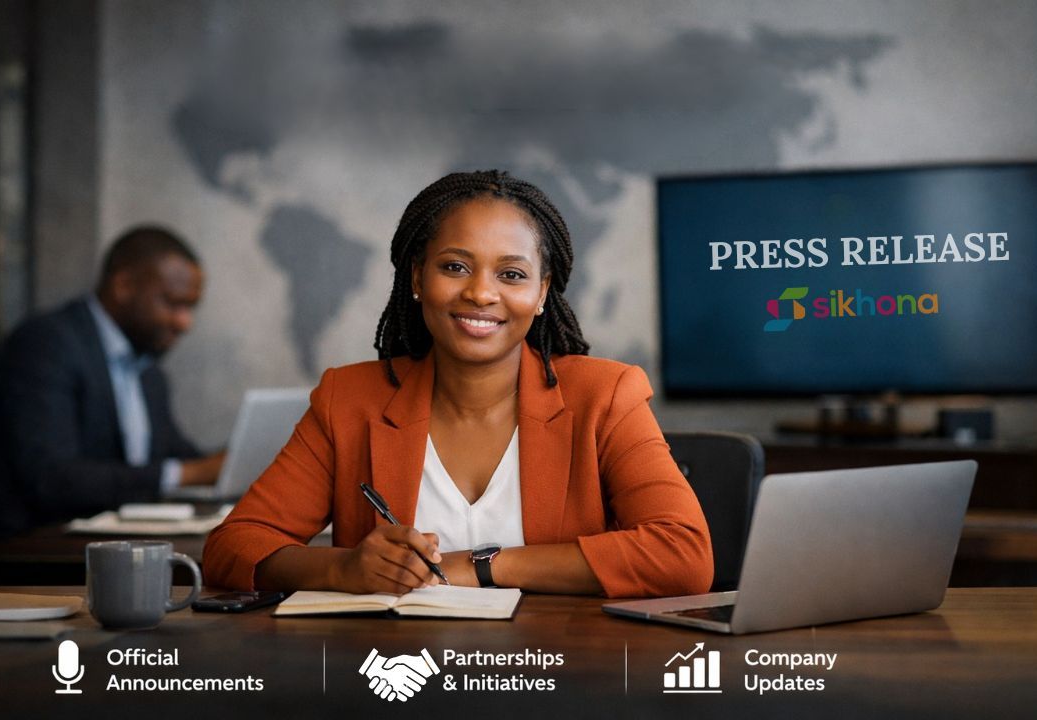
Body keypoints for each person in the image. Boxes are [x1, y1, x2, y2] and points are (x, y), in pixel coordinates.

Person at [203, 171, 712, 598]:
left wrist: (480, 565)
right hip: (392, 668)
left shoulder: (605, 395)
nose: (481, 293)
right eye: (455, 267)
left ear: (542, 293)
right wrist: (343, 569)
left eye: (511, 274)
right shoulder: (350, 399)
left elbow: (684, 554)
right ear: (418, 278)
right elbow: (233, 546)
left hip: (557, 666)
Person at [0, 226, 225, 539]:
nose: (185, 323)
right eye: (173, 304)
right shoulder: (46, 344)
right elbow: (51, 478)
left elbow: (178, 456)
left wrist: (232, 461)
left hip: (112, 544)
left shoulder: (147, 371)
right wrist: (188, 474)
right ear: (123, 286)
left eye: (190, 308)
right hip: (36, 548)